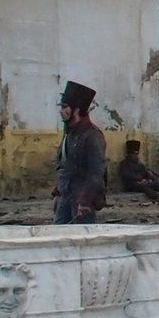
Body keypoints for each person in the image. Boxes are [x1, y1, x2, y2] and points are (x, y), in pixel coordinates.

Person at [54, 81, 107, 224]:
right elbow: (65, 164)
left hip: (82, 196)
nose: (61, 111)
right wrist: (58, 191)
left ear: (76, 110)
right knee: (58, 236)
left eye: (65, 107)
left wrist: (85, 201)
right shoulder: (70, 133)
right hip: (65, 195)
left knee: (82, 240)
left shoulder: (92, 135)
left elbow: (96, 173)